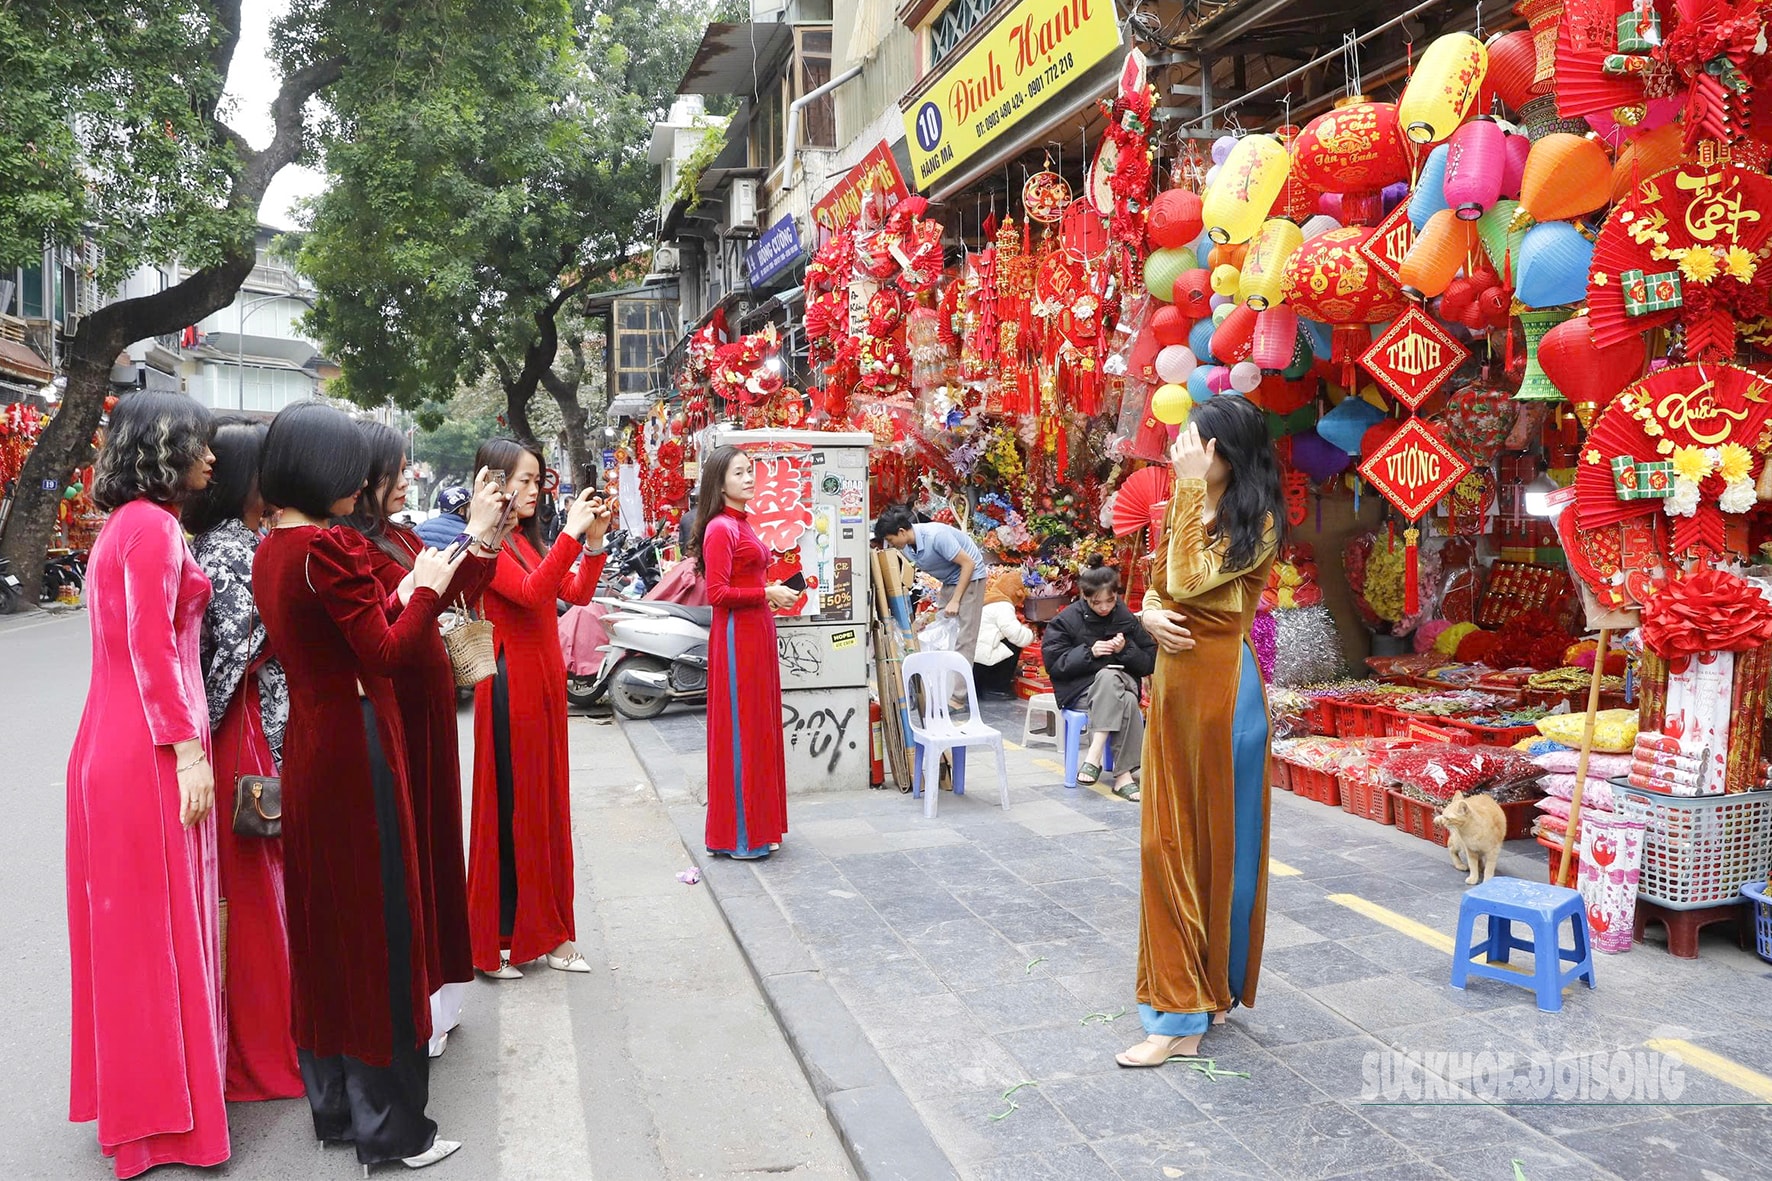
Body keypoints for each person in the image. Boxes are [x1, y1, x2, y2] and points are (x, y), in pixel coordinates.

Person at [254, 402, 467, 1169]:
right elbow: (384, 652)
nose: (363, 481)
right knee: (381, 929)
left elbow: (346, 634)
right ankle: (394, 1128)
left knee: (326, 928)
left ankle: (338, 1106)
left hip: (311, 745)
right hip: (358, 744)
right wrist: (427, 590)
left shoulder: (272, 547)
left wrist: (404, 591)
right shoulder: (328, 548)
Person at [66, 391, 229, 1179]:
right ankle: (163, 1123)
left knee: (134, 936)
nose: (211, 457)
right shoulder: (154, 527)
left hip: (111, 742)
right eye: (197, 443)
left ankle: (144, 1111)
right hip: (146, 748)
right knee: (157, 936)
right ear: (162, 448)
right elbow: (150, 648)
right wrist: (187, 751)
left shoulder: (120, 529)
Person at [1120, 395, 1282, 1068]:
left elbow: (1188, 575)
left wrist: (1184, 492)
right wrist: (1149, 616)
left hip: (1222, 694)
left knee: (1208, 848)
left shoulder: (1259, 522)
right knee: (1173, 844)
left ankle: (1185, 1009)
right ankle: (1198, 991)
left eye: (1195, 443)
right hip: (1179, 685)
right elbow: (1162, 586)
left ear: (1224, 453)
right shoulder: (1191, 506)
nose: (1183, 451)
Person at [340, 422, 509, 1054]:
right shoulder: (350, 550)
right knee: (411, 849)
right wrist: (467, 541)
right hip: (397, 706)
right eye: (399, 468)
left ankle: (442, 991)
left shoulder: (402, 536)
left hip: (431, 701)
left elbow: (456, 595)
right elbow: (400, 614)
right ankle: (418, 1000)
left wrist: (483, 538)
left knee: (438, 839)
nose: (409, 477)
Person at [186, 415, 303, 1102]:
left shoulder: (231, 543)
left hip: (243, 726)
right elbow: (226, 658)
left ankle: (266, 1040)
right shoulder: (233, 549)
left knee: (258, 890)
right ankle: (263, 1050)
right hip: (245, 731)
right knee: (257, 894)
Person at [467, 438, 611, 979]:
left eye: (537, 481)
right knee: (515, 806)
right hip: (511, 682)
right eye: (523, 481)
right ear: (495, 482)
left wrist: (591, 546)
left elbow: (570, 593)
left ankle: (546, 929)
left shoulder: (524, 541)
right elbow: (530, 595)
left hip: (542, 681)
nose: (533, 490)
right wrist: (572, 536)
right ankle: (503, 937)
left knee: (544, 804)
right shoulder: (486, 543)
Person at [693, 446, 791, 859]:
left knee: (759, 727)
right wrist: (766, 592)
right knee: (742, 729)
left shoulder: (741, 524)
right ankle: (739, 834)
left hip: (757, 630)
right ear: (720, 482)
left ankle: (756, 825)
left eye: (751, 471)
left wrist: (770, 594)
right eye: (739, 473)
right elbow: (715, 594)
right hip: (736, 637)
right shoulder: (720, 528)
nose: (750, 478)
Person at [1041, 560, 1157, 801]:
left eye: (1110, 601)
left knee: (1111, 678)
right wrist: (1089, 652)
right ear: (1085, 596)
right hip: (1081, 690)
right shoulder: (1067, 620)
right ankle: (1123, 776)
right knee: (1123, 698)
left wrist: (1125, 650)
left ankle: (1093, 757)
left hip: (1122, 681)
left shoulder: (1126, 617)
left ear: (1116, 595)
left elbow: (1150, 661)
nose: (1104, 608)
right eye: (1097, 602)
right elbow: (1054, 665)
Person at [874, 505, 986, 707]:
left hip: (971, 578)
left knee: (964, 637)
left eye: (891, 540)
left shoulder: (936, 536)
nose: (891, 545)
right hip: (949, 581)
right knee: (944, 633)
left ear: (901, 531)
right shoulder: (906, 546)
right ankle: (944, 687)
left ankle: (958, 697)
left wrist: (955, 600)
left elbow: (968, 564)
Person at [973, 567, 1033, 697]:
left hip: (973, 659)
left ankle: (984, 687)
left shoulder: (988, 600)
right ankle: (997, 687)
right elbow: (1016, 635)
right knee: (1013, 643)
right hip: (983, 659)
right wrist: (1030, 633)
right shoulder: (1002, 605)